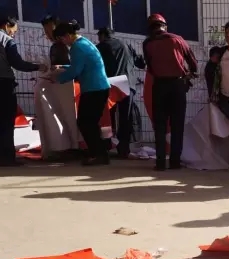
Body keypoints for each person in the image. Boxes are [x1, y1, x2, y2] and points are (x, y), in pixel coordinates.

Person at [143, 13, 198, 171]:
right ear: (164, 26)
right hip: (177, 86)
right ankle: (175, 162)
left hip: (159, 86)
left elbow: (150, 66)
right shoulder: (178, 39)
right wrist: (189, 73)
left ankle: (160, 163)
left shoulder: (148, 43)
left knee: (159, 126)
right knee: (177, 126)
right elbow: (193, 63)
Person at [53, 20, 111, 166]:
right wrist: (63, 66)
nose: (62, 43)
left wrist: (58, 79)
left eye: (61, 39)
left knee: (85, 122)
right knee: (90, 122)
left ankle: (98, 155)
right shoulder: (84, 42)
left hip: (93, 89)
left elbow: (75, 70)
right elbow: (80, 64)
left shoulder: (76, 47)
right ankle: (99, 153)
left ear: (67, 35)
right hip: (99, 87)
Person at [0, 16, 46, 166]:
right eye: (14, 30)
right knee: (6, 121)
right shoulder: (6, 40)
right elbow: (17, 63)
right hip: (4, 85)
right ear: (7, 25)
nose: (14, 33)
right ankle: (6, 158)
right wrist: (38, 67)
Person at [96, 27, 134, 158]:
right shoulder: (126, 45)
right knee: (126, 118)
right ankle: (124, 149)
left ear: (102, 35)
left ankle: (106, 145)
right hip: (128, 84)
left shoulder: (101, 47)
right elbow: (139, 62)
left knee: (107, 117)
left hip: (111, 84)